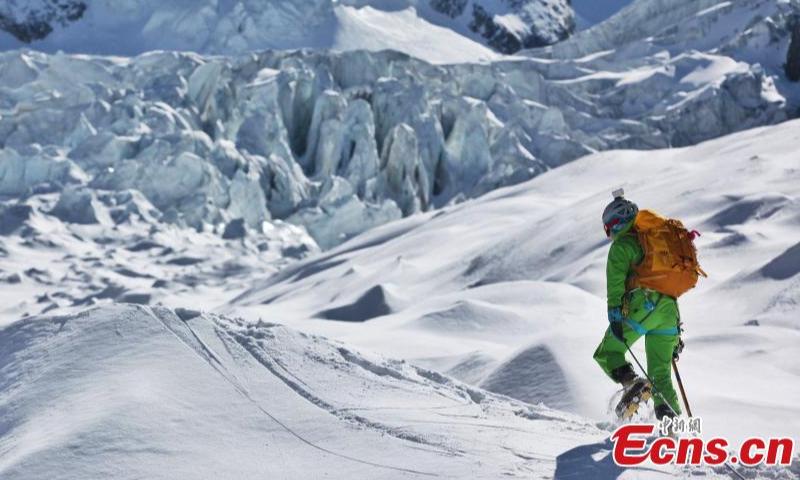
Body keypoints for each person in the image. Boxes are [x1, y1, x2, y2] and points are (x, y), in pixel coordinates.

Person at [593, 190, 682, 420]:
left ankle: (632, 384)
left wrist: (615, 316)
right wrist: (675, 337)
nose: (609, 233)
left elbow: (615, 286)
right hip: (670, 312)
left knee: (608, 352)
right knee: (661, 377)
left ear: (616, 222)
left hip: (643, 306)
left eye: (608, 227)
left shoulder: (622, 246)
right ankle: (674, 435)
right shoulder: (656, 240)